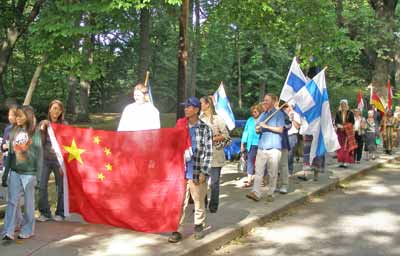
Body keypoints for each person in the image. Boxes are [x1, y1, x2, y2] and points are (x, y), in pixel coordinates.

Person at [168, 96, 212, 243]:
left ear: (197, 109)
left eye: (189, 107)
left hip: (196, 169)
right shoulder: (180, 125)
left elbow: (208, 151)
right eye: (185, 106)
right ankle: (176, 229)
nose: (186, 109)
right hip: (181, 170)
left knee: (198, 200)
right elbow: (172, 146)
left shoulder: (204, 128)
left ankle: (198, 225)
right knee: (179, 201)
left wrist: (204, 172)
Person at [2, 105, 43, 240]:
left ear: (28, 117)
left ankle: (28, 229)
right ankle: (8, 231)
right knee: (12, 202)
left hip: (29, 173)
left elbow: (39, 155)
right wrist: (6, 173)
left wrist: (39, 176)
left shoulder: (34, 132)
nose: (17, 118)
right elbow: (11, 154)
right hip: (15, 171)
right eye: (16, 115)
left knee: (29, 203)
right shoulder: (13, 131)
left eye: (20, 116)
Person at [246, 94, 284, 202]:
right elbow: (257, 129)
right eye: (264, 100)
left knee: (272, 173)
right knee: (258, 172)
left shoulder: (279, 114)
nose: (264, 102)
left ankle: (271, 193)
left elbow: (280, 130)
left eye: (267, 100)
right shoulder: (263, 114)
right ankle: (256, 193)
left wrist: (266, 126)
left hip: (274, 148)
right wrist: (258, 128)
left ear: (273, 101)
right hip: (262, 147)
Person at [37, 100, 67, 222]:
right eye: (54, 108)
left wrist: (63, 163)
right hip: (45, 160)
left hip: (59, 161)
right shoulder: (44, 123)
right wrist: (42, 129)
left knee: (60, 187)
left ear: (61, 112)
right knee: (42, 186)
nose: (56, 111)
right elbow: (40, 143)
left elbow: (67, 144)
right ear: (49, 109)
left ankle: (60, 212)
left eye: (59, 109)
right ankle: (45, 213)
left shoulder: (64, 124)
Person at [200, 96, 229, 213]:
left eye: (201, 103)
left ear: (207, 104)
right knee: (202, 182)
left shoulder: (217, 119)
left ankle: (213, 205)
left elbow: (226, 135)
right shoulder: (199, 118)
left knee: (214, 183)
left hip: (215, 155)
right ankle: (202, 204)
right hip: (202, 155)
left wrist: (211, 139)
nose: (199, 105)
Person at [240, 104, 263, 187]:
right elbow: (245, 132)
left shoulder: (263, 119)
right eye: (252, 112)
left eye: (255, 112)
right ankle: (249, 179)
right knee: (250, 161)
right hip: (251, 144)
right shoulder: (249, 120)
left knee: (261, 162)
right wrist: (242, 144)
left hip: (261, 144)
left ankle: (261, 179)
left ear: (260, 111)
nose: (253, 113)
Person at [335, 99, 356, 167]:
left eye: (344, 104)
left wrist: (345, 127)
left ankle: (346, 161)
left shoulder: (350, 113)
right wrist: (339, 126)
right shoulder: (338, 112)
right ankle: (341, 161)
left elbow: (352, 122)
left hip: (347, 132)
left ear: (346, 105)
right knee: (340, 147)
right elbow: (336, 122)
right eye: (342, 104)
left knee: (346, 147)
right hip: (340, 132)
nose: (343, 105)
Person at [285, 103, 301, 175]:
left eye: (288, 106)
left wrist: (292, 119)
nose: (287, 108)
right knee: (283, 154)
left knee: (290, 154)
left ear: (292, 107)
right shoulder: (283, 114)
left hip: (292, 136)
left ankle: (289, 170)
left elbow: (298, 127)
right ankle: (283, 170)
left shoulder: (296, 115)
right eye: (286, 106)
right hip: (284, 136)